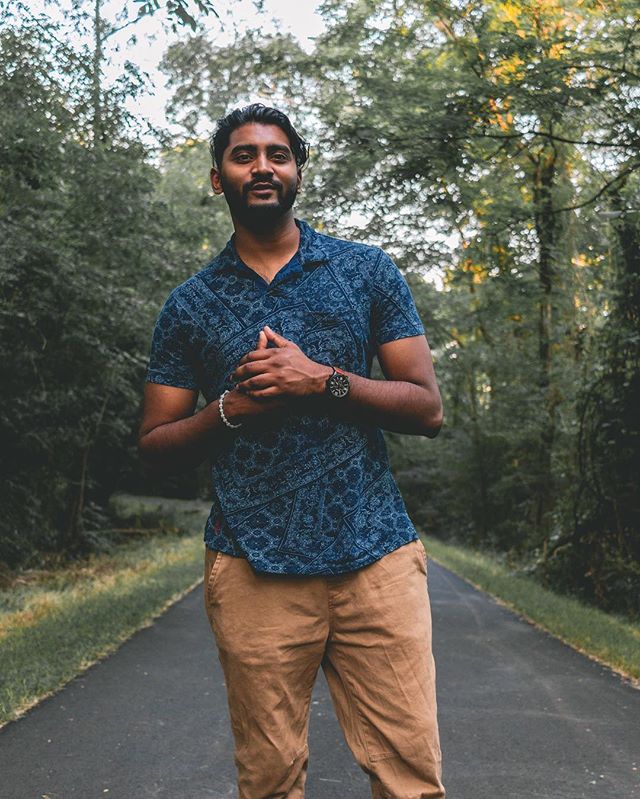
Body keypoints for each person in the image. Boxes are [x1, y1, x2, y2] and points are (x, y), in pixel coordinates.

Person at [138, 103, 446, 799]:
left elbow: (427, 408)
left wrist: (321, 381)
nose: (263, 166)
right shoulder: (189, 305)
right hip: (253, 566)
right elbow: (155, 443)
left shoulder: (365, 271)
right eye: (244, 156)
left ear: (299, 170)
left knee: (411, 781)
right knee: (270, 781)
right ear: (218, 177)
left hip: (377, 558)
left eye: (278, 154)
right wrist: (230, 410)